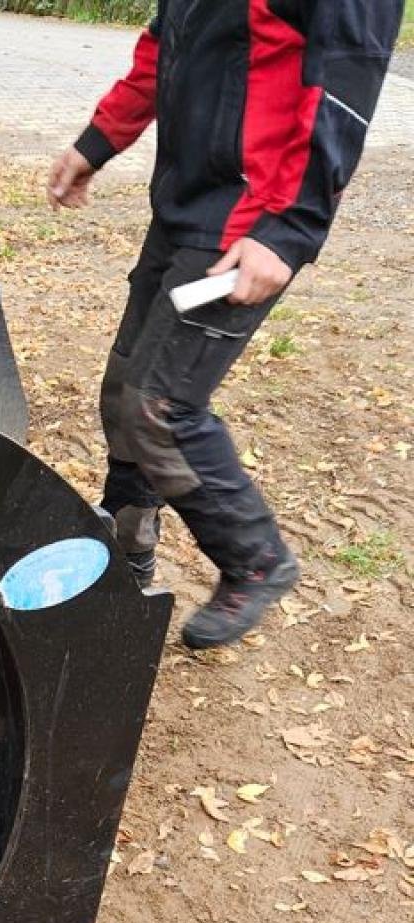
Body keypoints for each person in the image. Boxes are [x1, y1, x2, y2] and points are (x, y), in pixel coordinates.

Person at [48, 0, 402, 649]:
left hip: (252, 218)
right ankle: (127, 549)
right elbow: (167, 44)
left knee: (160, 407)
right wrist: (96, 142)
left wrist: (290, 227)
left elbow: (348, 77)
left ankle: (255, 558)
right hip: (184, 203)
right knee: (124, 389)